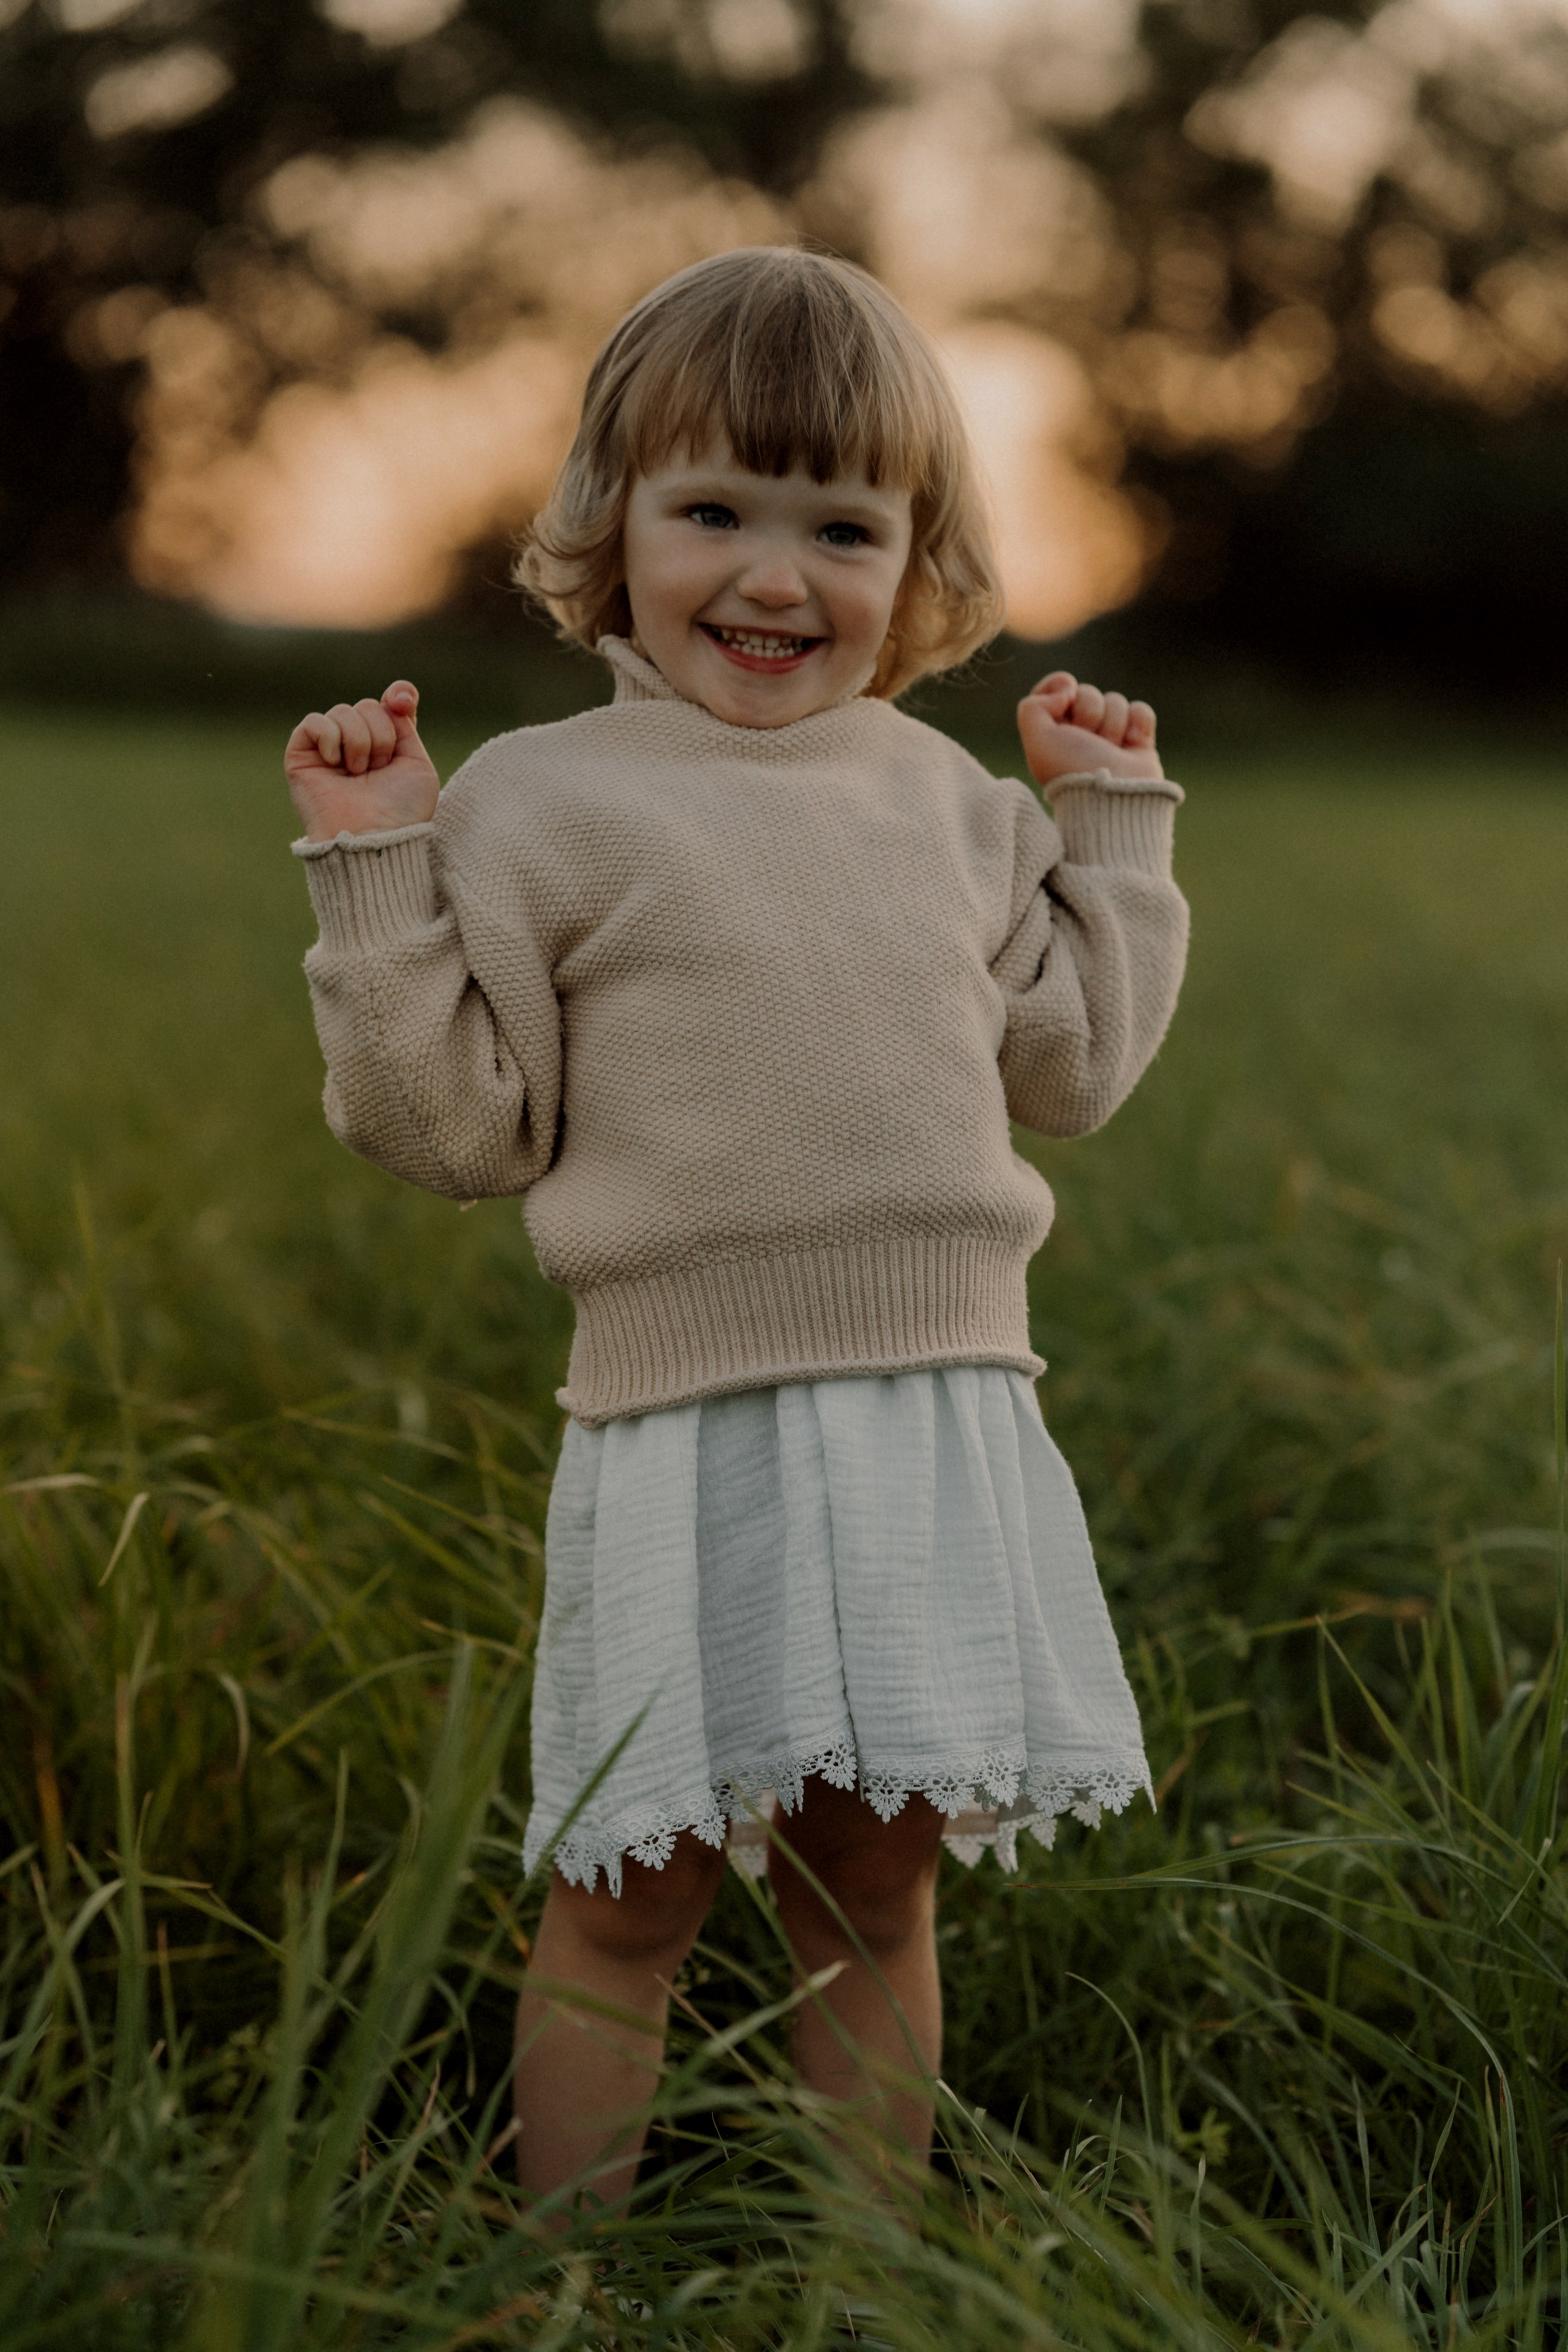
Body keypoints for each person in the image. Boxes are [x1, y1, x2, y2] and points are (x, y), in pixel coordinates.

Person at [283, 247, 1188, 2211]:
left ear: (918, 565)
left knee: (875, 1897)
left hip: (935, 1407)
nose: (776, 578)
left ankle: (875, 2274)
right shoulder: (537, 807)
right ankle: (558, 2278)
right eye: (714, 513)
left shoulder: (953, 803)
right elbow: (454, 1128)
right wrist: (376, 880)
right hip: (680, 1420)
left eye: (840, 526)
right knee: (630, 1898)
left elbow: (1074, 1072)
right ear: (611, 533)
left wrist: (1112, 831)